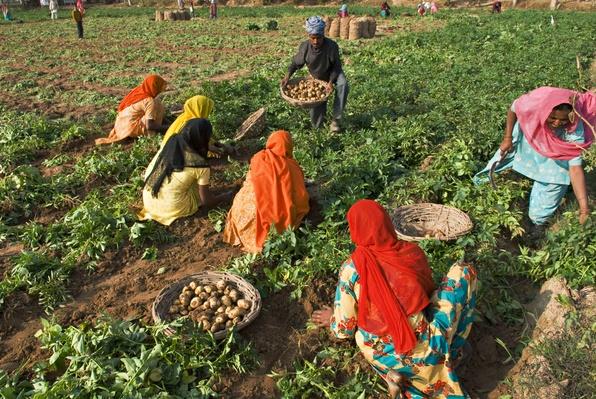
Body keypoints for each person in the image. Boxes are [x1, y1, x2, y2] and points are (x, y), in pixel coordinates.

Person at [312, 200, 478, 399]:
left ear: (355, 230)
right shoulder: (410, 251)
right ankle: (453, 349)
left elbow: (343, 330)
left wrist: (333, 317)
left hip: (385, 354)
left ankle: (399, 379)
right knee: (464, 272)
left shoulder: (352, 270)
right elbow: (428, 292)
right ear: (387, 223)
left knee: (364, 336)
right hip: (429, 343)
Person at [474, 87, 594, 231]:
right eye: (553, 118)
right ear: (544, 111)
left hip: (556, 155)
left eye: (563, 120)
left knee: (552, 185)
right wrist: (507, 138)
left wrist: (584, 208)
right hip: (531, 133)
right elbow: (513, 109)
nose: (557, 123)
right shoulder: (533, 105)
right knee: (502, 157)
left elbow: (575, 168)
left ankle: (537, 224)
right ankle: (479, 188)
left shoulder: (574, 128)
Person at [223, 131, 310, 253]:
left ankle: (243, 235)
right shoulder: (292, 166)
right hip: (271, 224)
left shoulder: (259, 157)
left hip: (242, 214)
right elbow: (301, 197)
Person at [138, 119, 229, 226]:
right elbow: (207, 201)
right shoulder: (200, 165)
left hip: (149, 199)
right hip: (173, 208)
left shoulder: (173, 143)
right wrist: (225, 196)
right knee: (197, 191)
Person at [281, 16, 349, 133]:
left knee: (343, 85)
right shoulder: (305, 47)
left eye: (319, 38)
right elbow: (295, 63)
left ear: (323, 35)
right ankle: (318, 129)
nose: (316, 41)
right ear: (309, 36)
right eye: (313, 38)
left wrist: (331, 82)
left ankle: (336, 120)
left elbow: (337, 66)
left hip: (333, 73)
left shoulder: (332, 46)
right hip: (318, 76)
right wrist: (287, 76)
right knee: (317, 105)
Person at [95, 75, 169, 145]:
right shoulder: (149, 101)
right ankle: (150, 136)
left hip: (120, 126)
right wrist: (169, 127)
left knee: (157, 105)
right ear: (155, 87)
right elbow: (150, 125)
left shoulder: (140, 91)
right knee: (157, 107)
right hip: (129, 128)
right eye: (161, 87)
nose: (162, 90)